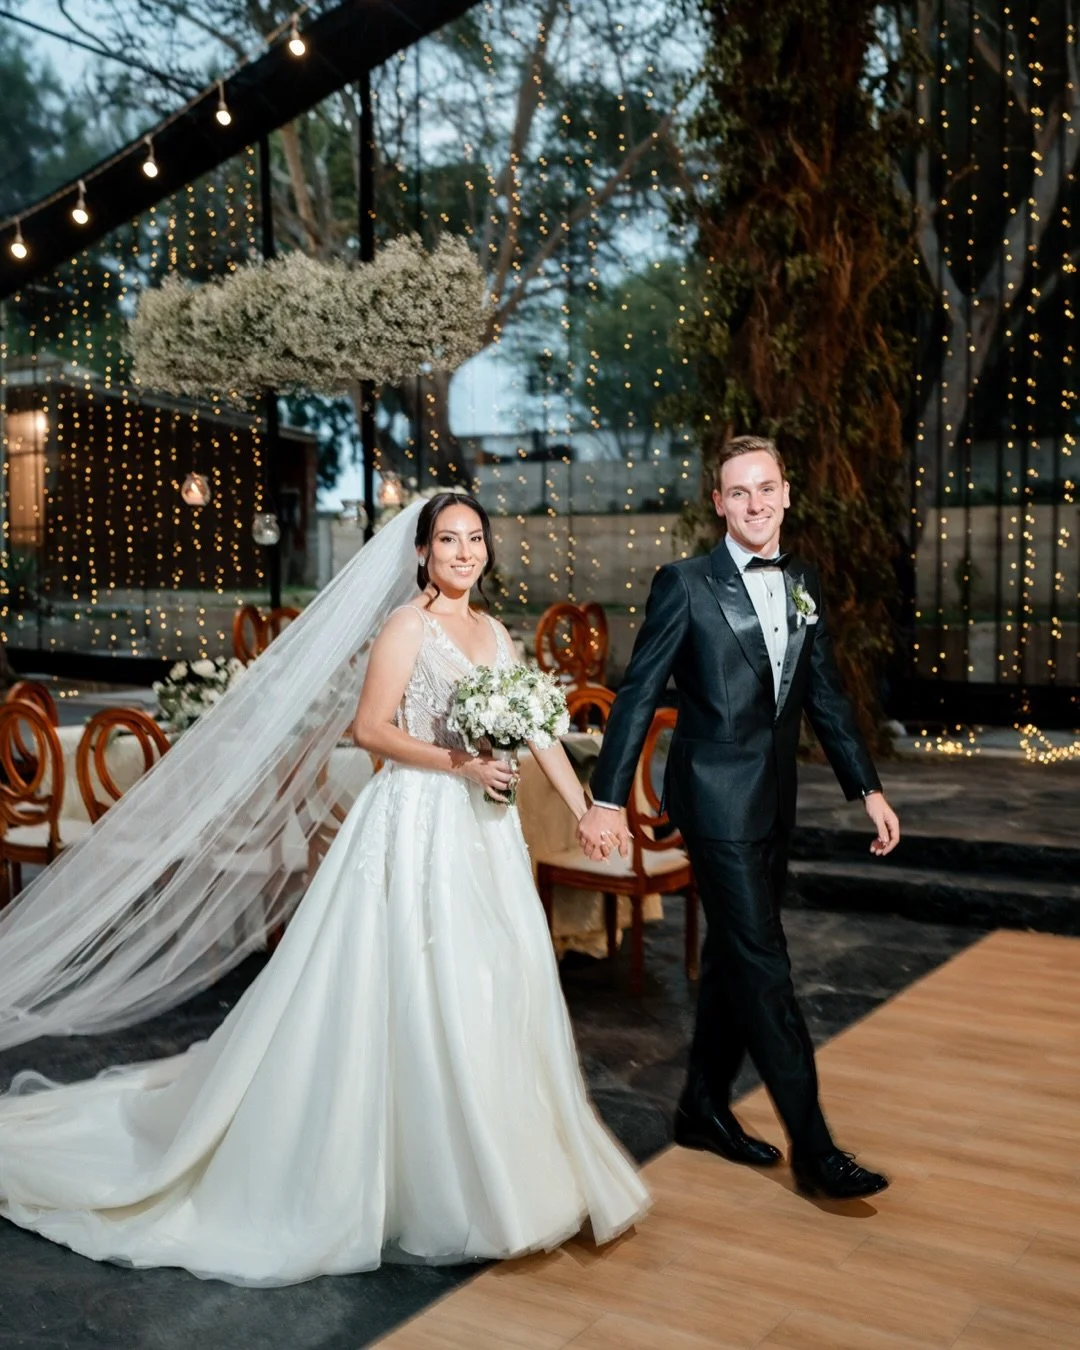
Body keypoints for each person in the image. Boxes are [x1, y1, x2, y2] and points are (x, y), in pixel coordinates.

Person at [0, 493, 648, 1286]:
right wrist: (461, 765)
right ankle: (418, 1178)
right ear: (421, 552)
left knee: (489, 987)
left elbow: (540, 728)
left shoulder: (495, 633)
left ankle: (500, 1163)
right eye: (449, 539)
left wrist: (588, 810)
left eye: (475, 539)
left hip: (484, 834)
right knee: (410, 987)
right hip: (415, 824)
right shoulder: (407, 627)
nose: (464, 552)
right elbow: (370, 730)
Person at [578, 436, 900, 1200]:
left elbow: (822, 696)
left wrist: (868, 790)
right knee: (765, 965)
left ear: (786, 493)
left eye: (766, 489)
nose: (754, 504)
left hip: (774, 798)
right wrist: (604, 796)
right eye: (738, 492)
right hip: (715, 800)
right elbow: (637, 692)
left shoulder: (803, 582)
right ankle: (816, 1150)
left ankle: (700, 1106)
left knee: (730, 955)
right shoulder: (685, 584)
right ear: (718, 504)